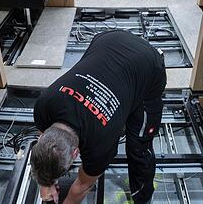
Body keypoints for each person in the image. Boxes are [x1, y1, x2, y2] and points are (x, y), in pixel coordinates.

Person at [31, 30, 167, 203]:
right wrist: (45, 183)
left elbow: (81, 186)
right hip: (108, 39)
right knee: (121, 105)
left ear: (76, 153)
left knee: (139, 145)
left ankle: (142, 197)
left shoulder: (100, 145)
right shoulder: (43, 105)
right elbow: (44, 143)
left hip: (149, 64)